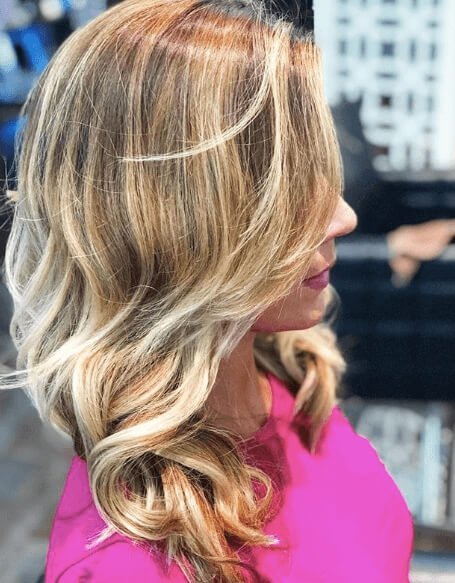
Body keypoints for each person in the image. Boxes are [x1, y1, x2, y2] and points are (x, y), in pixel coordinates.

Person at [1, 0, 414, 581]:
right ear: (165, 222)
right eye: (284, 187)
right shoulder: (132, 565)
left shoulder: (278, 377)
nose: (342, 217)